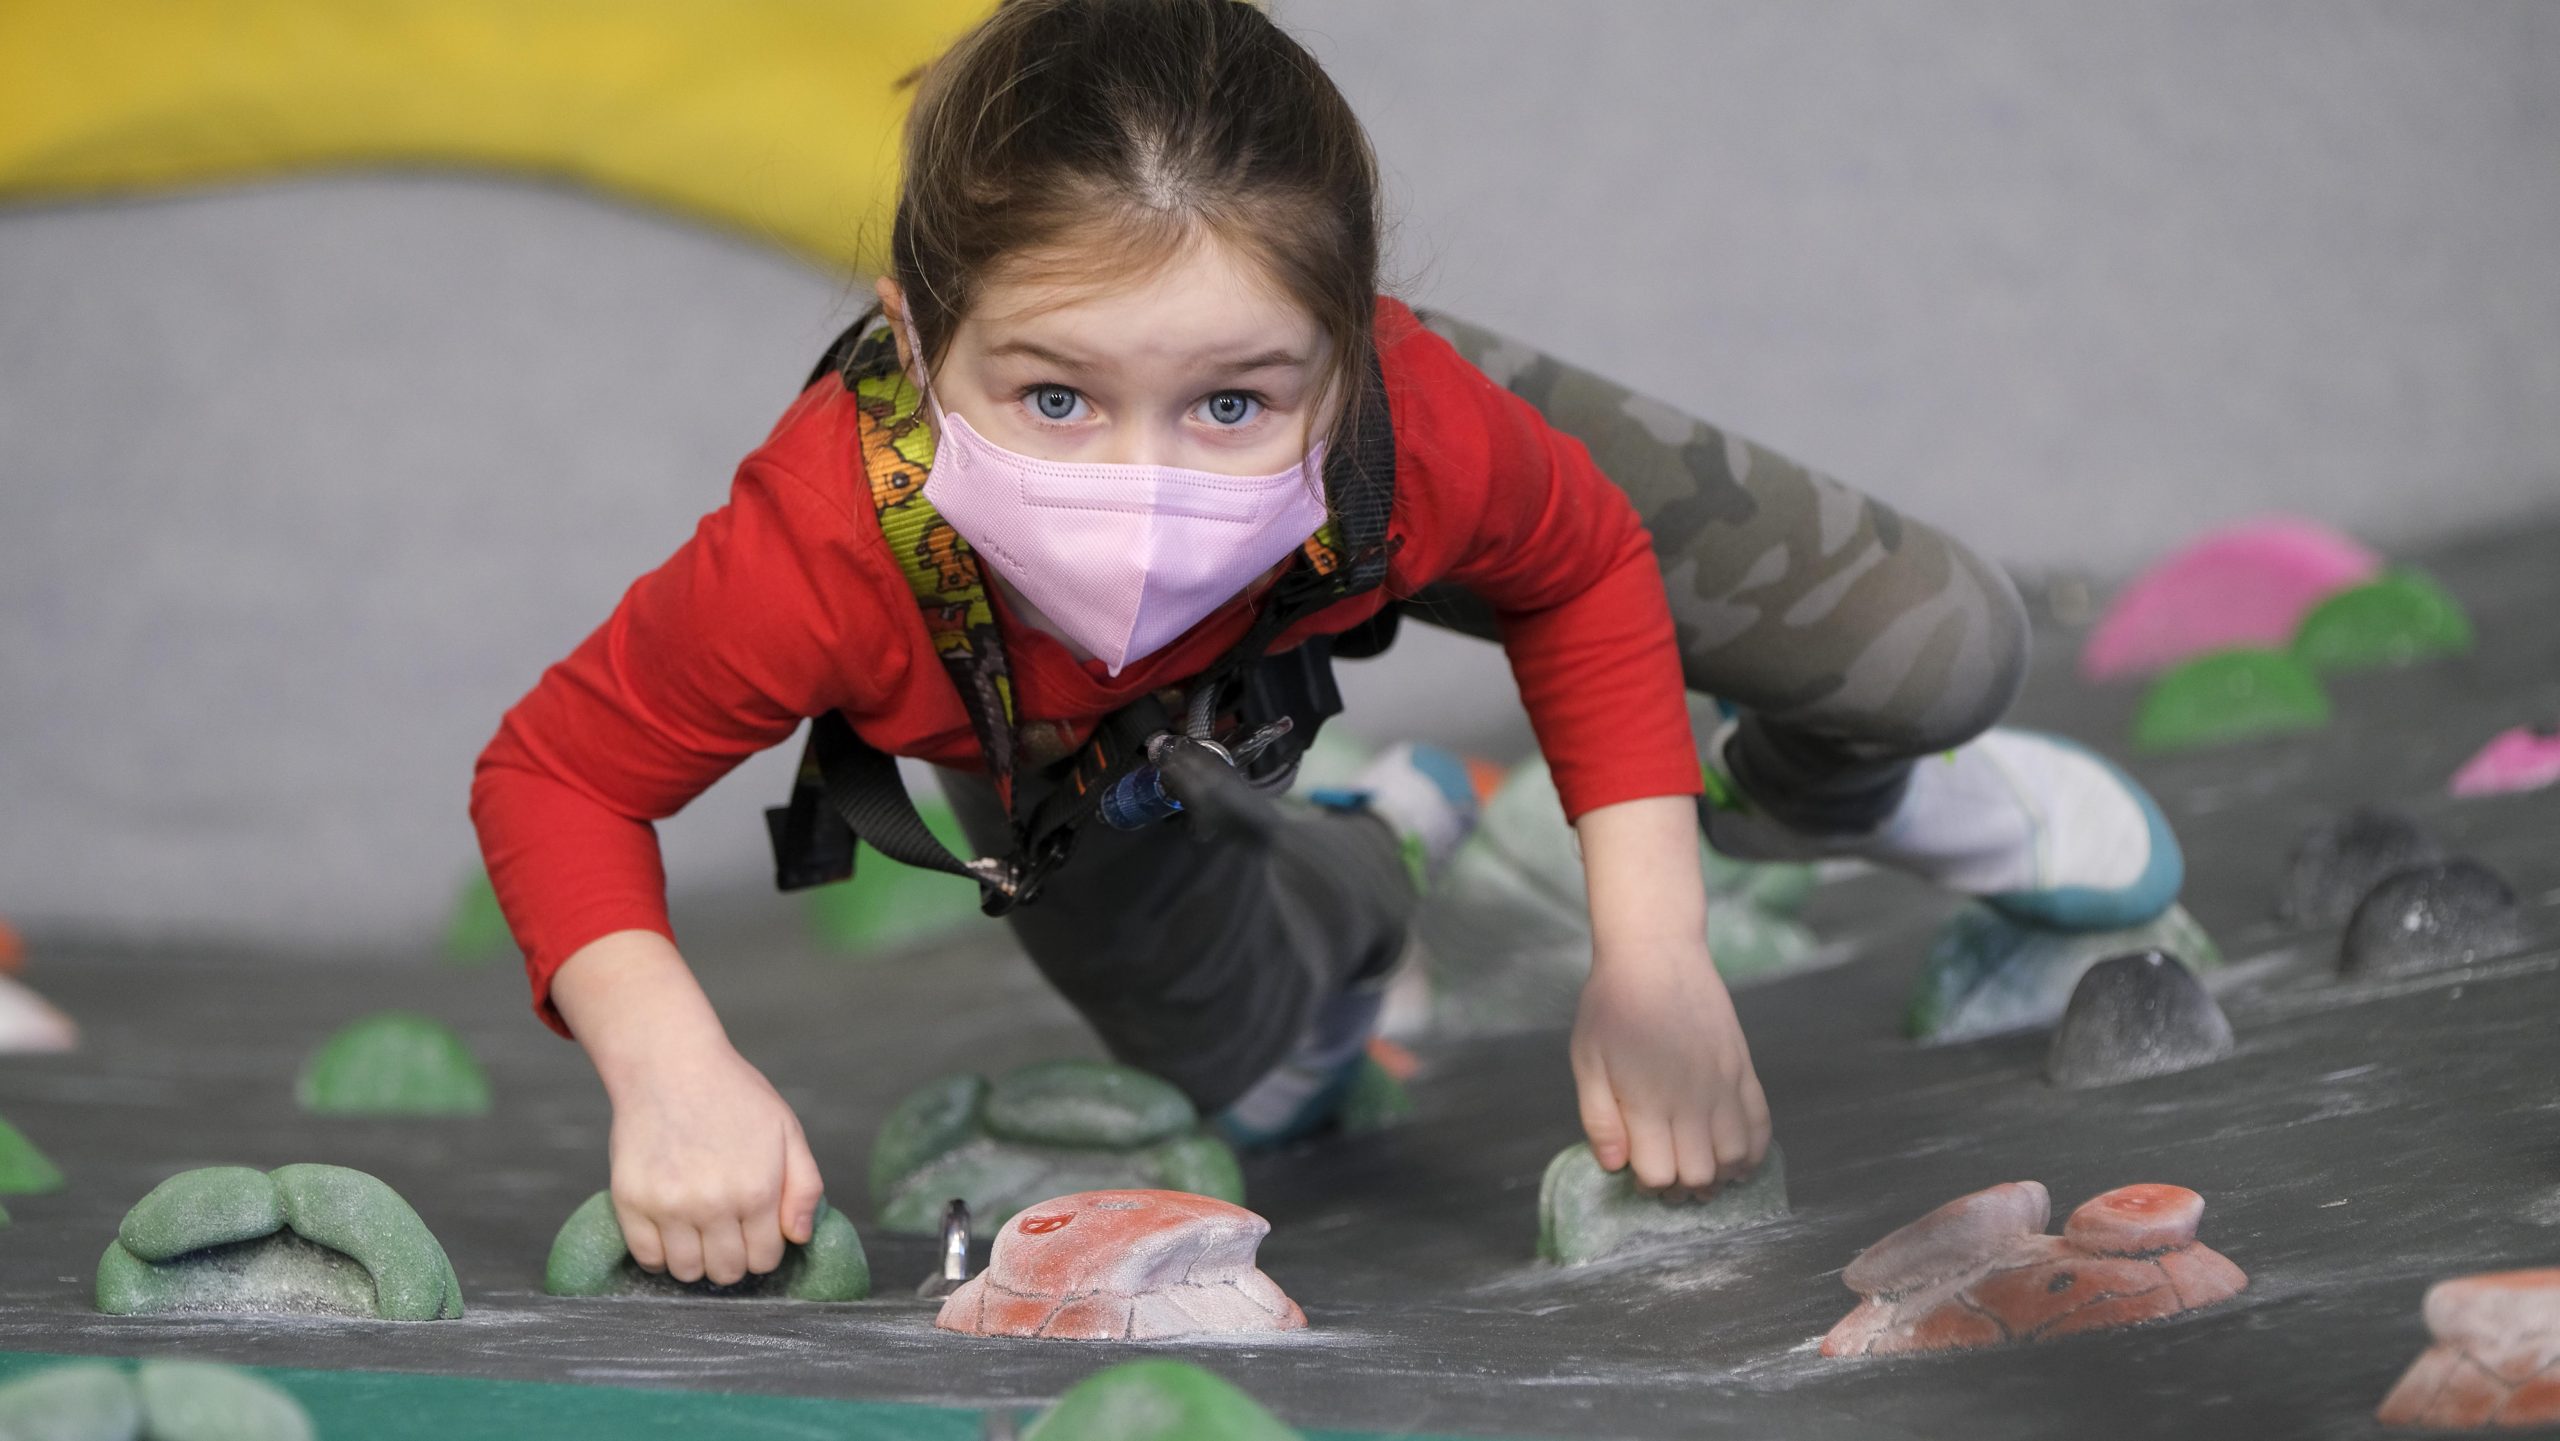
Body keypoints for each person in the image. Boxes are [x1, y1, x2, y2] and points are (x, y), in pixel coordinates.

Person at [470, 0, 2182, 1291]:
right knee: (1271, 1077)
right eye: (1053, 395)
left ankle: (1816, 794)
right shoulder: (822, 549)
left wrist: (1652, 941)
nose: (1137, 486)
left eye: (1229, 397)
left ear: (1349, 353)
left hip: (1364, 523)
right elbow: (555, 775)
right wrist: (668, 1059)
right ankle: (1373, 853)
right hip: (1056, 747)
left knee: (1936, 648)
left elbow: (1581, 571)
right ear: (920, 341)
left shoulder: (1411, 425)